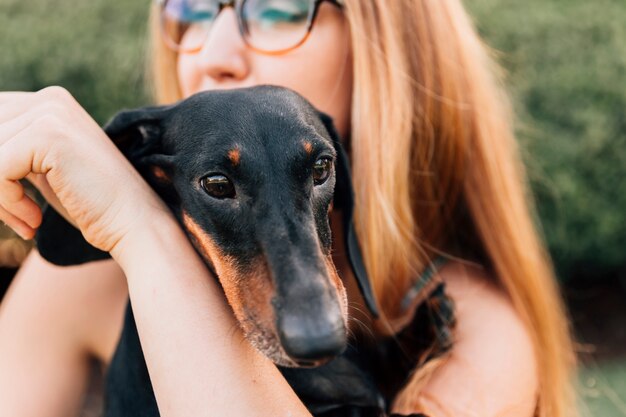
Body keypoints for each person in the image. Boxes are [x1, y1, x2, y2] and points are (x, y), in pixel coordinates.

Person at [0, 0, 578, 416]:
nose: (215, 51)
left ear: (388, 46)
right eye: (194, 10)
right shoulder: (86, 280)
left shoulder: (472, 334)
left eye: (278, 8)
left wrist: (146, 239)